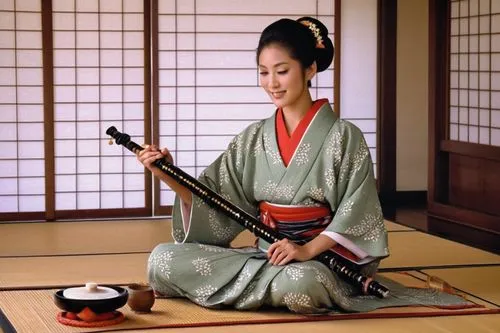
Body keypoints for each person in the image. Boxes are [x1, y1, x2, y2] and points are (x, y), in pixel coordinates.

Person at [138, 17, 470, 313]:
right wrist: (168, 174)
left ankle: (260, 288)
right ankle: (267, 286)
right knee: (162, 260)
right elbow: (217, 200)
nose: (272, 83)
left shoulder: (343, 136)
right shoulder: (253, 138)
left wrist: (306, 249)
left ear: (310, 69)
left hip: (322, 259)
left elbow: (357, 214)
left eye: (282, 71)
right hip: (269, 257)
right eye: (264, 73)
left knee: (300, 285)